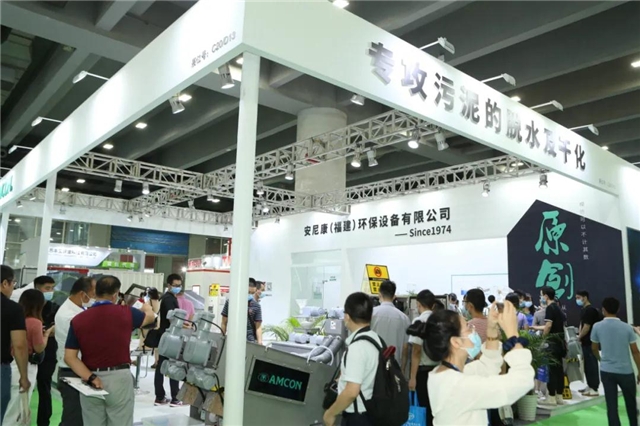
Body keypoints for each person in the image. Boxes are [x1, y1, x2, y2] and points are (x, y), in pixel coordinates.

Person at [408, 300, 533, 425]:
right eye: (468, 327)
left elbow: (487, 365)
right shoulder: (458, 386)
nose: (473, 330)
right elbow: (521, 382)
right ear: (456, 342)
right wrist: (513, 335)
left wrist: (492, 330)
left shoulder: (443, 374)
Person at [64, 275, 155, 426]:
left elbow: (69, 357)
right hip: (119, 378)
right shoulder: (126, 312)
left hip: (90, 379)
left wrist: (91, 377)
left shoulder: (78, 319)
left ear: (95, 293)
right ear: (116, 294)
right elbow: (150, 318)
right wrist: (147, 307)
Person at [323, 292, 381, 426]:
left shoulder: (357, 348)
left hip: (357, 417)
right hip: (372, 412)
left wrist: (330, 413)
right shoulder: (376, 340)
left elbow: (352, 392)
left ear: (347, 316)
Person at [5, 290, 54, 424]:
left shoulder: (14, 318)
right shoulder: (35, 323)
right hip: (25, 365)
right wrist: (46, 335)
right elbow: (39, 348)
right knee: (18, 408)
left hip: (9, 363)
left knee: (8, 405)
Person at [591, 297, 640, 426]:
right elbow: (635, 351)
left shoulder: (597, 326)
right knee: (631, 404)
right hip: (626, 371)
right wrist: (639, 371)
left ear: (603, 310)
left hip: (607, 370)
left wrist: (601, 360)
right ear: (618, 309)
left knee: (611, 406)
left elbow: (594, 348)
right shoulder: (627, 327)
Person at [55, 276, 96, 426]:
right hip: (72, 372)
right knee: (73, 419)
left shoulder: (78, 309)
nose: (95, 298)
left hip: (77, 369)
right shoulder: (70, 316)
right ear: (82, 294)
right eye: (93, 294)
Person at [1, 265, 30, 424]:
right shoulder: (13, 309)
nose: (13, 287)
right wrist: (23, 376)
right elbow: (19, 345)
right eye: (13, 282)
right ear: (5, 283)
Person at [407, 290, 438, 426]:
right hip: (441, 371)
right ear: (433, 305)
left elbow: (416, 351)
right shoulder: (441, 321)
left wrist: (412, 377)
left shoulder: (419, 321)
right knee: (437, 409)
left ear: (418, 304)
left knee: (425, 408)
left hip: (424, 373)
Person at [154, 274, 184, 407]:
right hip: (170, 338)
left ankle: (160, 397)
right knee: (172, 366)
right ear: (169, 285)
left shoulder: (167, 298)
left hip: (165, 336)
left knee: (161, 366)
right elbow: (173, 319)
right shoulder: (169, 299)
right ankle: (175, 398)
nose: (178, 287)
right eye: (175, 285)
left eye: (179, 285)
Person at [33, 275, 58, 426]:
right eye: (47, 288)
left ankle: (43, 422)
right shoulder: (28, 307)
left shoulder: (55, 308)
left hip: (48, 353)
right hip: (29, 353)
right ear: (37, 288)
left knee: (44, 389)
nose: (50, 291)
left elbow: (57, 328)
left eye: (52, 288)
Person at [371, 280, 410, 369]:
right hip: (394, 366)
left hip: (373, 365)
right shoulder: (404, 318)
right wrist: (403, 369)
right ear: (394, 296)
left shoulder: (371, 314)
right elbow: (405, 347)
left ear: (379, 294)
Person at [539, 286, 566, 407]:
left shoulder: (550, 308)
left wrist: (542, 339)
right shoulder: (558, 308)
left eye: (541, 295)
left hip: (552, 343)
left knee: (552, 371)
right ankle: (559, 396)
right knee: (559, 370)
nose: (541, 298)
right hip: (560, 343)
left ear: (545, 296)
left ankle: (551, 396)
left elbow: (548, 325)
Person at [221, 278, 263, 345]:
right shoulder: (230, 302)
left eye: (252, 293)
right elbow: (224, 322)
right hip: (233, 341)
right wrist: (222, 339)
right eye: (248, 292)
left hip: (250, 342)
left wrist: (260, 343)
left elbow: (258, 327)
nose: (250, 295)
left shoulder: (256, 306)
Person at [575, 290, 601, 397]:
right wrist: (579, 336)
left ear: (585, 297)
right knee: (587, 365)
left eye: (578, 298)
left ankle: (594, 387)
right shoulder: (584, 310)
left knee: (592, 365)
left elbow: (587, 327)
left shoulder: (590, 310)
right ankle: (590, 385)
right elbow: (582, 324)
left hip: (590, 342)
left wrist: (579, 337)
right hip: (584, 342)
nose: (577, 300)